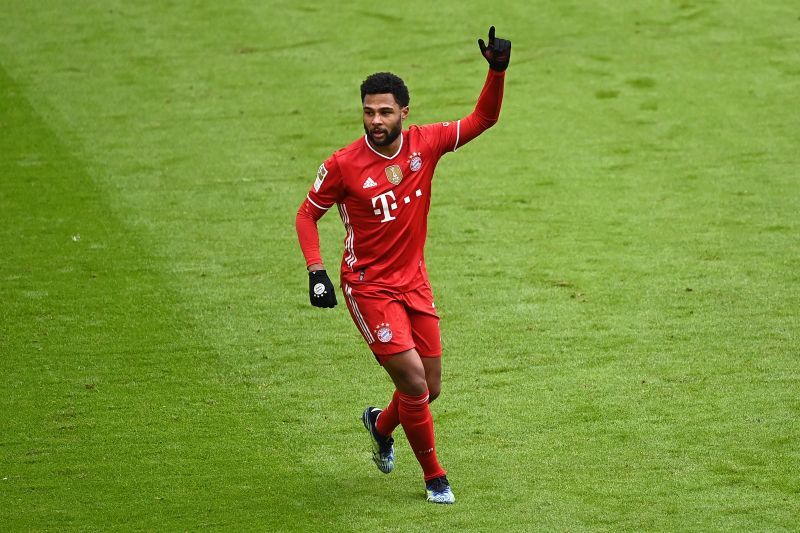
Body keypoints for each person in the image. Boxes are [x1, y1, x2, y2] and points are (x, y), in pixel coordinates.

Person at [295, 26, 511, 504]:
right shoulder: (343, 165)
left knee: (429, 388)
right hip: (368, 287)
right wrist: (316, 272)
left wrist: (496, 72)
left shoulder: (426, 143)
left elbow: (483, 118)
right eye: (369, 111)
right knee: (412, 381)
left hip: (413, 281)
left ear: (403, 113)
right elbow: (307, 214)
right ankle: (435, 478)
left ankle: (380, 423)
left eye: (385, 112)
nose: (375, 120)